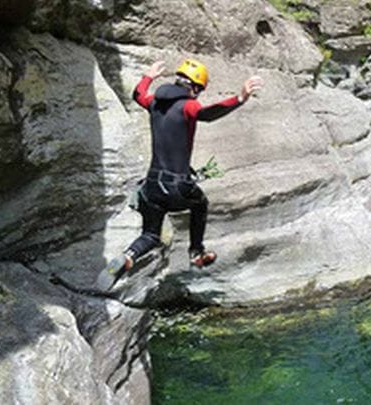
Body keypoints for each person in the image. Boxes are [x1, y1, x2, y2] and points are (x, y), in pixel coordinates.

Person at [96, 58, 263, 291]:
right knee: (200, 203)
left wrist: (148, 76)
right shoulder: (188, 106)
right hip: (177, 187)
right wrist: (240, 98)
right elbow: (207, 113)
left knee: (151, 235)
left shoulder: (154, 102)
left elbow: (137, 95)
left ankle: (127, 257)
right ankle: (196, 252)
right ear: (194, 87)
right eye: (199, 90)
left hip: (152, 187)